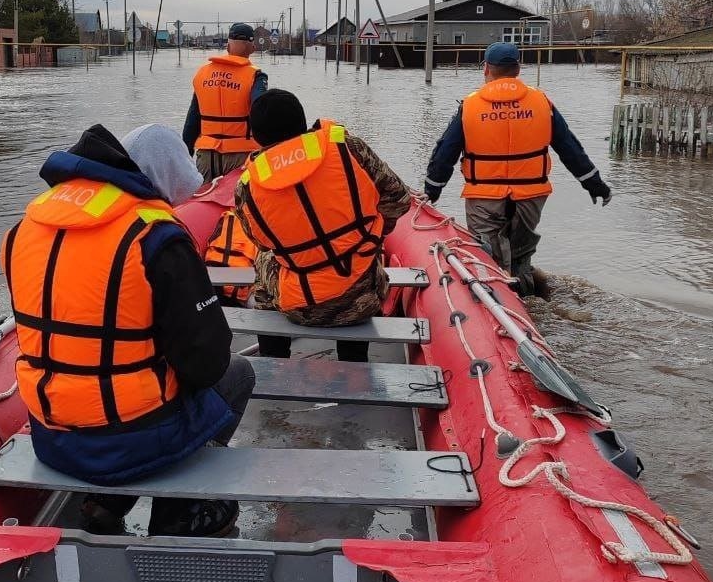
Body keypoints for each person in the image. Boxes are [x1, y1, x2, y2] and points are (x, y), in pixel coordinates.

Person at [0, 122, 255, 537]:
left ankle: (105, 503)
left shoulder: (25, 228)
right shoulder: (155, 235)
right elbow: (206, 363)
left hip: (51, 437)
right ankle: (181, 509)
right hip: (133, 442)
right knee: (237, 374)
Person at [234, 89, 412, 362]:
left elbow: (261, 241)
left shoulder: (247, 186)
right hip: (361, 296)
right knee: (360, 252)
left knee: (264, 259)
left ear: (255, 137)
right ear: (303, 125)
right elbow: (398, 200)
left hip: (299, 304)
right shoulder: (348, 148)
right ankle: (354, 359)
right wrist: (371, 236)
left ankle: (273, 356)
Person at [423, 42, 612, 295]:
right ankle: (526, 300)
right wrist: (594, 184)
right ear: (518, 69)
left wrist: (431, 191)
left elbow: (445, 151)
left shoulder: (470, 106)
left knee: (485, 255)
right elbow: (570, 148)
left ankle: (496, 308)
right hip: (531, 196)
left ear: (487, 69)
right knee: (521, 255)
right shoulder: (541, 102)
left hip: (485, 197)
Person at [183, 22, 269, 180]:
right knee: (241, 203)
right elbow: (262, 114)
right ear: (252, 48)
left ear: (227, 46)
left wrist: (185, 155)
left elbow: (192, 121)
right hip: (241, 156)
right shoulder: (255, 76)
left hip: (206, 157)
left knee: (204, 200)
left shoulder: (203, 73)